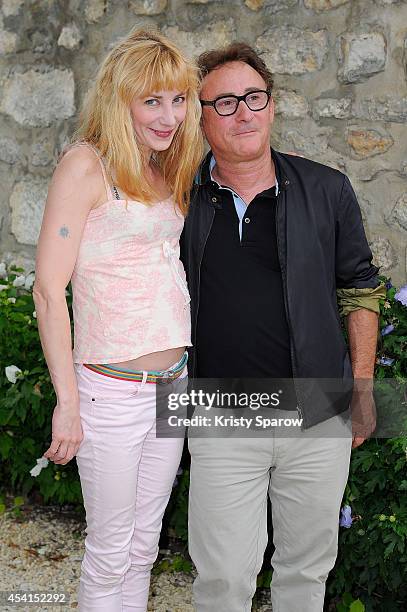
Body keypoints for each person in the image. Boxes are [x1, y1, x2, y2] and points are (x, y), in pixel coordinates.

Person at [181, 43, 386, 612]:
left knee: (305, 572)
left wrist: (362, 387)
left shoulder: (328, 189)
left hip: (317, 407)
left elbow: (362, 288)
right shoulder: (179, 200)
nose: (243, 112)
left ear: (273, 106)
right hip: (222, 411)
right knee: (222, 578)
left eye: (254, 97)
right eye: (223, 102)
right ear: (199, 118)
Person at [33, 28, 203, 611]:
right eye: (152, 100)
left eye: (179, 99)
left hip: (172, 386)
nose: (170, 115)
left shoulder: (167, 165)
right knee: (109, 551)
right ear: (119, 98)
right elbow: (50, 291)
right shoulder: (86, 166)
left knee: (144, 549)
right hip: (111, 392)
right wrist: (67, 400)